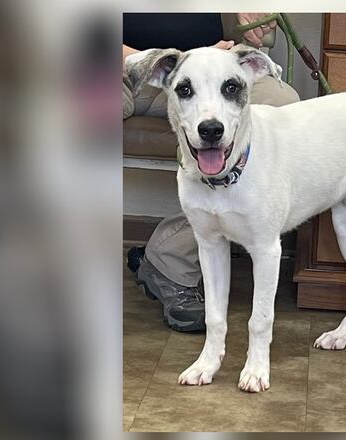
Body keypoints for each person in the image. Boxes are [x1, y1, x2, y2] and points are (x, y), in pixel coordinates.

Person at [122, 13, 300, 331]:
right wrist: (155, 63)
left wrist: (243, 16)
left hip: (204, 71)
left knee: (282, 105)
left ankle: (168, 258)